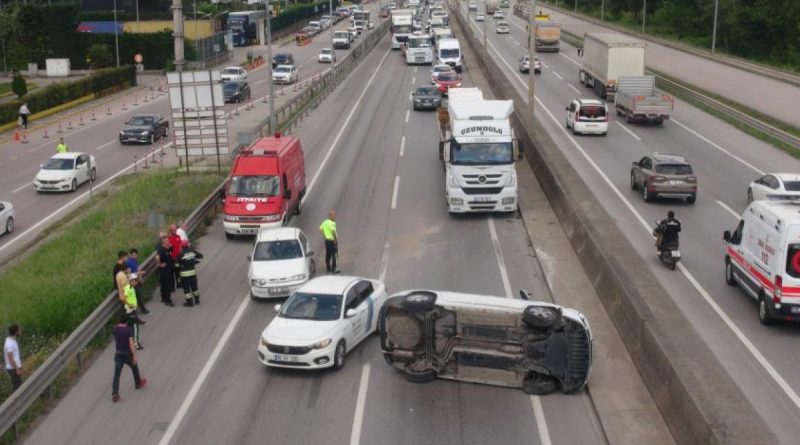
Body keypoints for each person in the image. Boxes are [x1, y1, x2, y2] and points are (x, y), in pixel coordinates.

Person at [111, 314, 146, 403]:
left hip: (118, 354)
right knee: (134, 367)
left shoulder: (115, 329)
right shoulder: (128, 330)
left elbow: (115, 336)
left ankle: (115, 394)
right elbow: (131, 344)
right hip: (127, 354)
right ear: (126, 322)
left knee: (117, 375)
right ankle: (138, 383)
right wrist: (134, 356)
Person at [121, 275, 145, 349]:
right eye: (134, 280)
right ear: (131, 281)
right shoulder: (129, 288)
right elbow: (123, 298)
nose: (136, 281)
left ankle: (129, 343)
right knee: (135, 327)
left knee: (129, 327)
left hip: (131, 310)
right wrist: (129, 305)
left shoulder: (131, 287)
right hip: (131, 310)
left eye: (136, 280)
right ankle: (136, 344)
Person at [178, 240, 204, 307]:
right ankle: (197, 300)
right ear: (188, 245)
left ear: (181, 246)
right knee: (194, 287)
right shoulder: (192, 252)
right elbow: (201, 256)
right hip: (192, 273)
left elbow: (177, 264)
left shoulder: (180, 254)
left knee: (187, 289)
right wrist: (193, 261)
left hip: (184, 275)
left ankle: (189, 303)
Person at [125, 248, 149, 314]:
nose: (135, 256)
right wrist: (139, 274)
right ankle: (143, 310)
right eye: (133, 255)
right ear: (130, 255)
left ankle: (139, 309)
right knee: (139, 296)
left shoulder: (135, 260)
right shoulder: (129, 263)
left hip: (137, 281)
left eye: (136, 255)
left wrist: (140, 277)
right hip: (133, 282)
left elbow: (137, 269)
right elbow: (129, 275)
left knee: (139, 296)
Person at [156, 233, 176, 306]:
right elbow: (157, 257)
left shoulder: (167, 248)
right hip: (165, 270)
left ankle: (164, 298)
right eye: (167, 240)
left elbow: (171, 251)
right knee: (167, 285)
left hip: (168, 268)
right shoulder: (161, 250)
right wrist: (160, 264)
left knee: (164, 284)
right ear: (163, 241)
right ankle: (168, 300)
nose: (168, 241)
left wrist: (170, 246)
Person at [4, 325, 22, 392]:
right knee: (16, 388)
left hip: (14, 367)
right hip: (13, 368)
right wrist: (17, 369)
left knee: (18, 386)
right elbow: (10, 358)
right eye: (19, 330)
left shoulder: (12, 340)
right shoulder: (9, 343)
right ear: (16, 332)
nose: (20, 332)